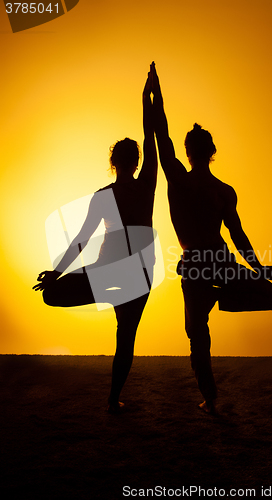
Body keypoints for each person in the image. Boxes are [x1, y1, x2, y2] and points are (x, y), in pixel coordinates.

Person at [150, 62, 272, 415]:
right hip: (208, 266)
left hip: (205, 267)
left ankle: (218, 303)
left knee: (200, 335)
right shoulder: (204, 186)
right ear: (209, 152)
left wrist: (154, 98)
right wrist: (256, 268)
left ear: (192, 152)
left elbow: (161, 137)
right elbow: (238, 235)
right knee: (202, 332)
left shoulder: (198, 185)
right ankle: (210, 397)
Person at [33, 67, 158, 413]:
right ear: (134, 162)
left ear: (113, 163)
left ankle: (113, 397)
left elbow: (81, 240)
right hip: (136, 276)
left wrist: (57, 273)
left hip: (110, 273)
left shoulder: (103, 195)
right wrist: (148, 97)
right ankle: (113, 397)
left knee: (53, 295)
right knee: (126, 337)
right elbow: (151, 138)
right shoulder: (146, 184)